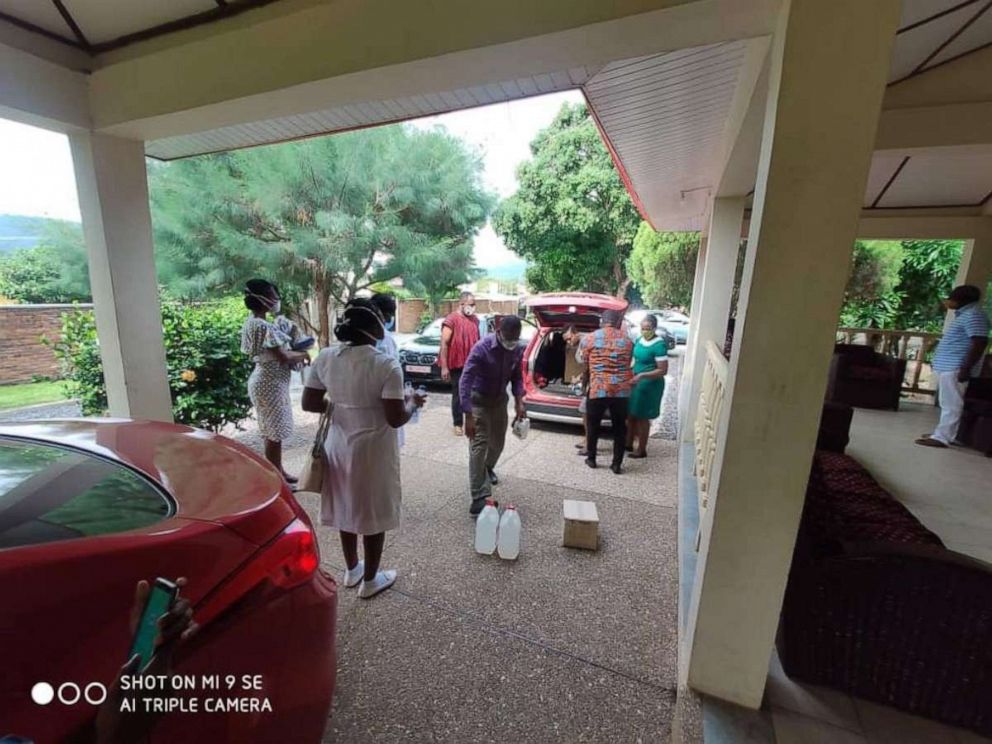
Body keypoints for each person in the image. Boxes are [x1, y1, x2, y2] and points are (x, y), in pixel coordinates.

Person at [302, 299, 425, 598]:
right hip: (373, 449)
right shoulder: (385, 364)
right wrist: (412, 403)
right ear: (373, 329)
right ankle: (371, 580)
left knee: (346, 505)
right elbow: (395, 418)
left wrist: (341, 405)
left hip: (339, 443)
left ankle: (352, 569)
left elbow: (310, 403)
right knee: (372, 511)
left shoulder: (327, 357)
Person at [240, 279, 310, 484]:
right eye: (272, 295)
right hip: (269, 383)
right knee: (274, 432)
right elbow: (283, 356)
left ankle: (279, 471)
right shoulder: (261, 325)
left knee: (272, 430)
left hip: (268, 381)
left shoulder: (253, 322)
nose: (276, 299)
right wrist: (304, 354)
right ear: (261, 300)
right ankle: (276, 479)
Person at [459, 315, 526, 517]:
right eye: (508, 338)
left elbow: (516, 376)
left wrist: (519, 401)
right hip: (478, 402)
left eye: (515, 338)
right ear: (499, 331)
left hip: (499, 402)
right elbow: (465, 380)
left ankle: (486, 471)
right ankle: (479, 497)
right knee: (479, 446)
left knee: (497, 444)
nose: (511, 342)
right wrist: (468, 415)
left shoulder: (516, 348)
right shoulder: (482, 348)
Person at [916, 285, 990, 448]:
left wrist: (965, 368)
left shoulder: (973, 315)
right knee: (947, 402)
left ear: (960, 300)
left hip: (956, 366)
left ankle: (942, 437)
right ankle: (947, 433)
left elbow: (979, 342)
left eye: (951, 298)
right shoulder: (965, 315)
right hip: (949, 365)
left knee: (951, 403)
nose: (948, 301)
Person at [578, 309, 634, 474]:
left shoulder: (589, 338)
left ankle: (592, 458)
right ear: (618, 323)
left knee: (593, 425)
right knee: (619, 428)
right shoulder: (628, 341)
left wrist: (585, 382)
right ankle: (616, 464)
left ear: (602, 321)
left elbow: (584, 363)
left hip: (598, 388)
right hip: (622, 391)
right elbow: (628, 362)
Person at [626, 314, 670, 458]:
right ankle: (628, 442)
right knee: (631, 413)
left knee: (642, 417)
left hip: (650, 384)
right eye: (643, 328)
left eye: (648, 328)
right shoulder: (639, 340)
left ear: (654, 328)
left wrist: (643, 375)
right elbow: (635, 358)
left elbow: (662, 370)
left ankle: (642, 449)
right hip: (636, 381)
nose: (645, 331)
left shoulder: (659, 345)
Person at [440, 291, 481, 436]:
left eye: (474, 304)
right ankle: (458, 423)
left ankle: (472, 419)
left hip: (472, 365)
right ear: (461, 304)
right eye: (471, 304)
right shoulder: (451, 320)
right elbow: (444, 344)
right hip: (456, 365)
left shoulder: (475, 320)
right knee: (458, 394)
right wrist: (444, 367)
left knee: (473, 393)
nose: (473, 307)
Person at [370, 292, 406, 448]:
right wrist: (412, 403)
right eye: (390, 315)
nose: (390, 320)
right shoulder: (385, 339)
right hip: (382, 407)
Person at [564, 325, 591, 455]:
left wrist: (580, 380)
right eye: (566, 341)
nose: (568, 342)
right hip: (590, 381)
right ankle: (587, 440)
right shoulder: (581, 344)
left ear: (575, 333)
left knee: (586, 412)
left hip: (594, 383)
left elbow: (590, 367)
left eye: (569, 339)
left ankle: (589, 444)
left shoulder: (586, 342)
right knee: (586, 413)